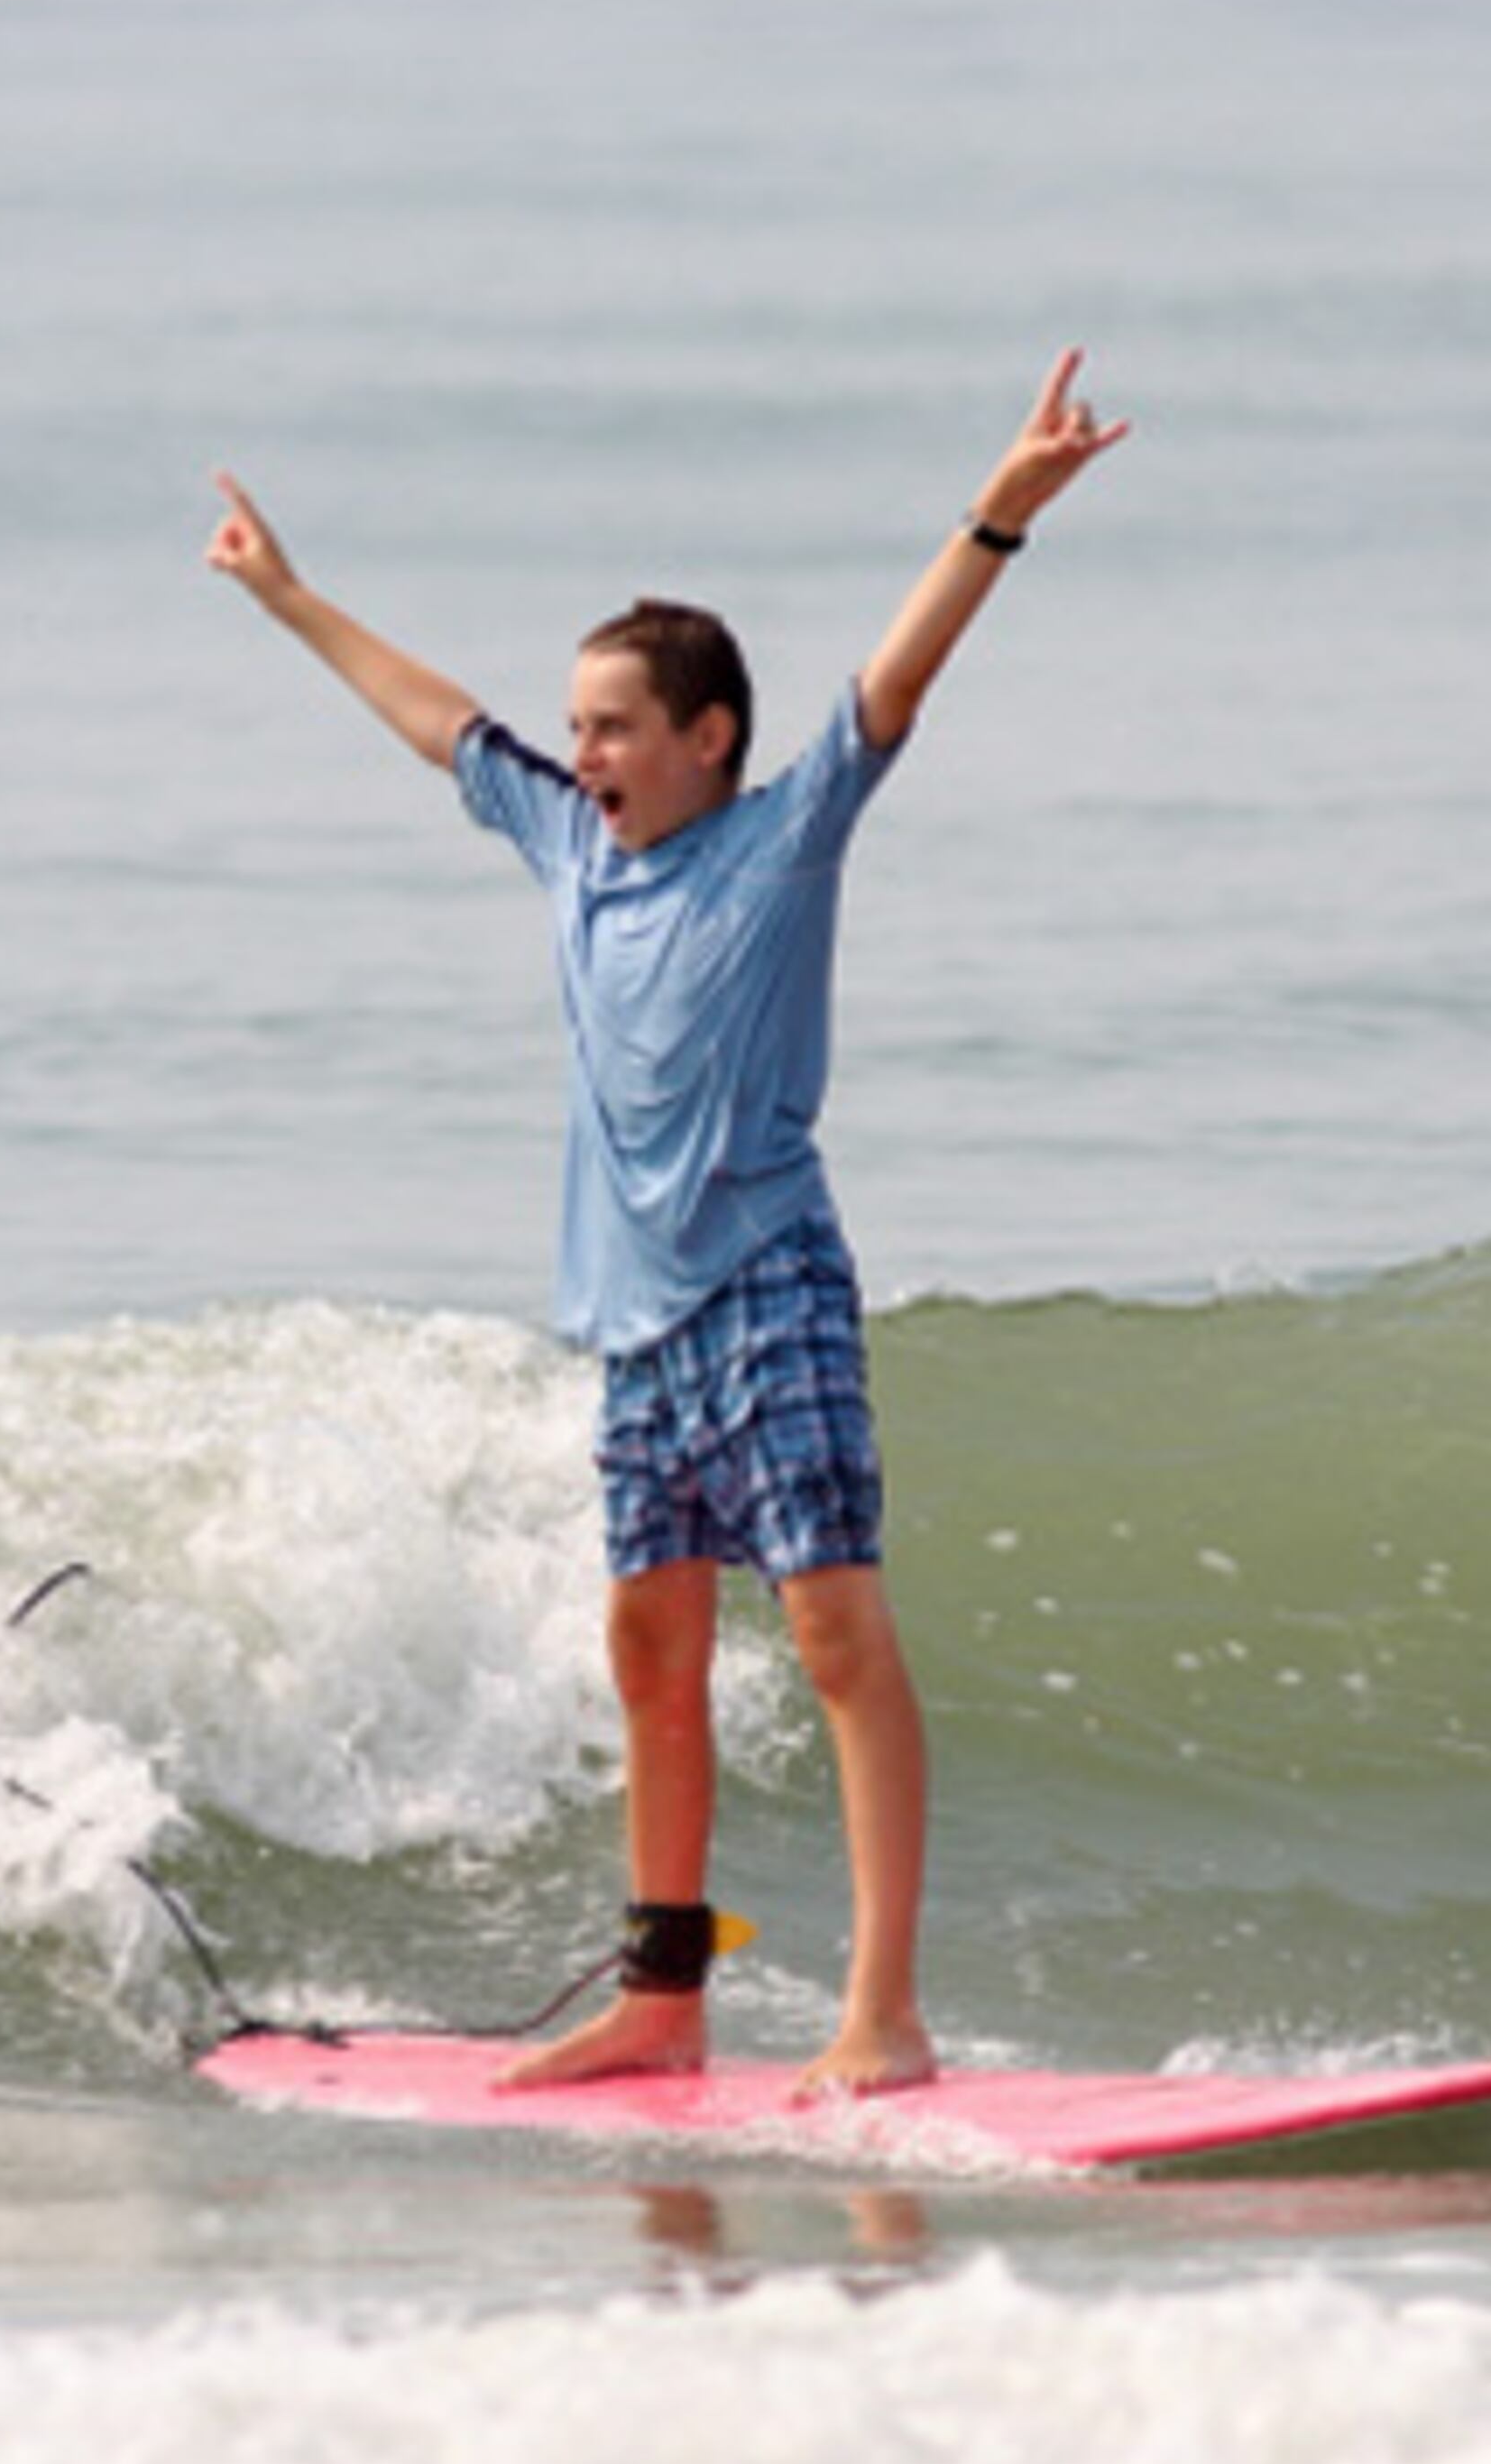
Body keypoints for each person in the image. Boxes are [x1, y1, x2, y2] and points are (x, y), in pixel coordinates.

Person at [207, 350, 1128, 2093]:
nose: (585, 750)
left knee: (840, 1634)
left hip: (768, 1279)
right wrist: (288, 598)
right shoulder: (572, 852)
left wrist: (1002, 509)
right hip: (631, 1315)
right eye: (579, 726)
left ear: (709, 740)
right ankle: (665, 1998)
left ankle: (884, 2016)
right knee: (652, 1652)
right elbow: (438, 720)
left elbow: (896, 678)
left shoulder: (781, 842)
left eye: (616, 725)